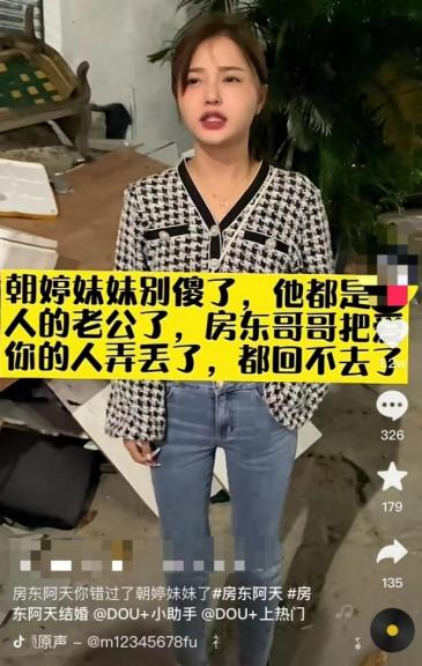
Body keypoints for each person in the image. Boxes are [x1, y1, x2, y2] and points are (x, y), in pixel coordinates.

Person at [105, 12, 334, 666]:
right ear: (179, 96)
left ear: (260, 95)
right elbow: (129, 315)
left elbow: (321, 316)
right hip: (176, 405)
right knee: (184, 557)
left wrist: (290, 397)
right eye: (194, 80)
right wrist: (138, 409)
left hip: (262, 404)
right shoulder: (145, 201)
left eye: (230, 78)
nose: (211, 94)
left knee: (259, 560)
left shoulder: (296, 199)